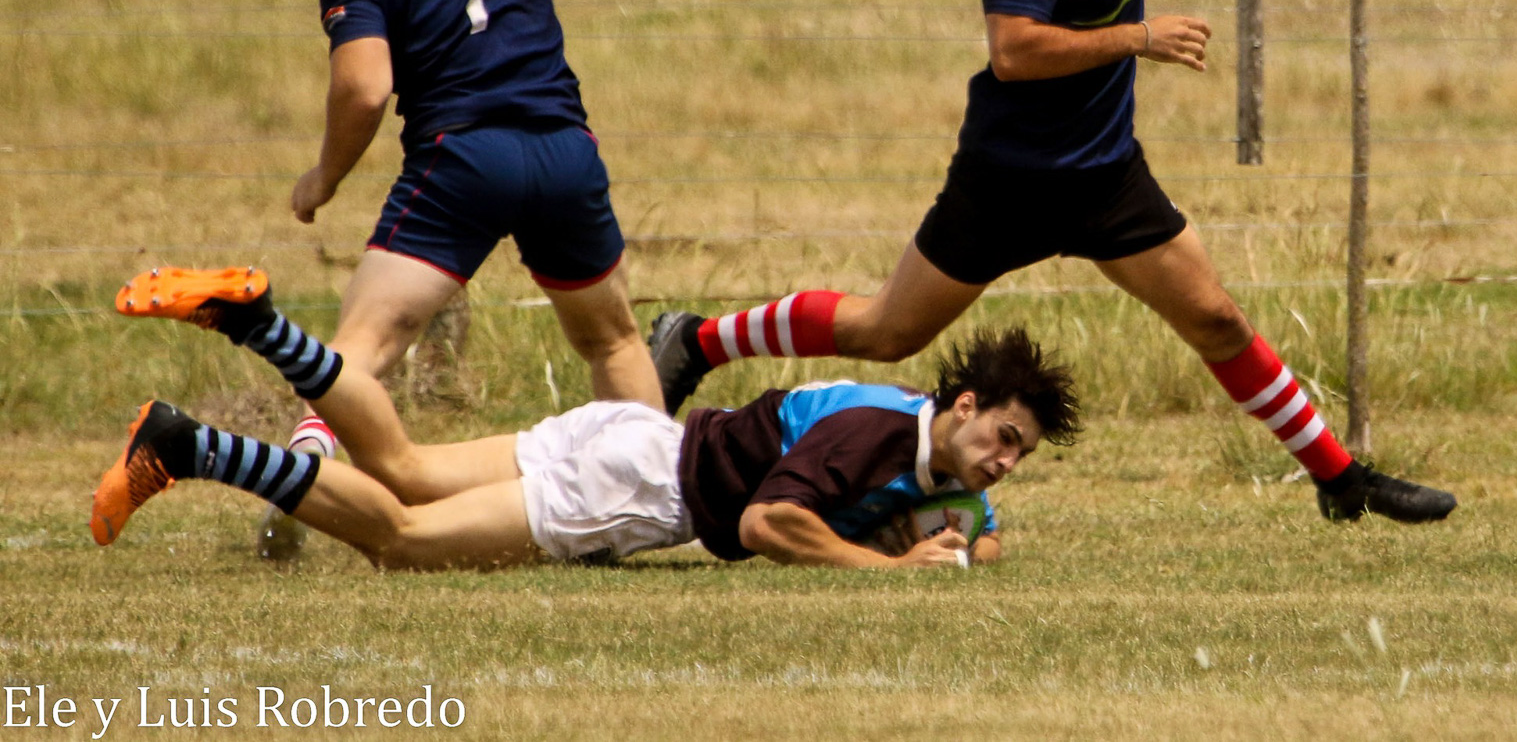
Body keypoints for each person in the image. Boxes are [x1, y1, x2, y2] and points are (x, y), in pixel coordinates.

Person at [648, 0, 1456, 526]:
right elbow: (1015, 51)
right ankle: (699, 340)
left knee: (1217, 320)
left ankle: (1340, 480)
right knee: (886, 333)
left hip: (1106, 176)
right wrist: (1138, 38)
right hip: (1008, 181)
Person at [260, 0, 664, 555]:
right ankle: (654, 507)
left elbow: (365, 88)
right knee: (612, 342)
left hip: (464, 162)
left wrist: (325, 177)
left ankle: (306, 468)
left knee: (363, 347)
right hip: (561, 150)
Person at [94, 267, 1082, 570]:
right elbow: (766, 522)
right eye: (1003, 437)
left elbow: (972, 524)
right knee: (401, 538)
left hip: (638, 433)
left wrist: (969, 541)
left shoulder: (916, 430)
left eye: (1019, 455)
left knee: (401, 462)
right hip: (644, 486)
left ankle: (258, 321)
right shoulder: (877, 436)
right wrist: (890, 569)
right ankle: (188, 445)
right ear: (962, 405)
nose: (1003, 462)